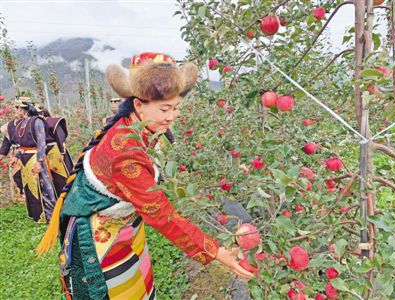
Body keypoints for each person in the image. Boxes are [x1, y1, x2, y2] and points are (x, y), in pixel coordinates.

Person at [37, 52, 253, 299]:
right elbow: (161, 214)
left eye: (176, 108)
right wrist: (217, 252)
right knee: (122, 291)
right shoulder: (125, 151)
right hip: (103, 233)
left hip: (126, 222)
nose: (172, 116)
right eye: (164, 109)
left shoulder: (140, 127)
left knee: (141, 283)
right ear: (138, 105)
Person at [13, 98, 57, 223]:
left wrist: (39, 161)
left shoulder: (37, 121)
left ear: (23, 109)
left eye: (17, 108)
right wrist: (16, 157)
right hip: (25, 159)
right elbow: (20, 145)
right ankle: (37, 215)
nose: (15, 111)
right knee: (30, 188)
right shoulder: (20, 124)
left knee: (44, 186)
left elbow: (41, 142)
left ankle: (51, 215)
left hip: (35, 158)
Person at [36, 105, 74, 196]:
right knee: (51, 179)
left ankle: (68, 196)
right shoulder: (37, 124)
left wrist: (62, 152)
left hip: (55, 152)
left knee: (61, 177)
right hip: (45, 152)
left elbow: (60, 137)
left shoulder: (53, 122)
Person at [0, 97, 28, 197]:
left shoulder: (29, 123)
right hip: (14, 153)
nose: (16, 110)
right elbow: (6, 142)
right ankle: (20, 196)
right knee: (16, 176)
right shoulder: (10, 125)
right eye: (15, 108)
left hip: (27, 152)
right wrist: (1, 155)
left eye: (18, 108)